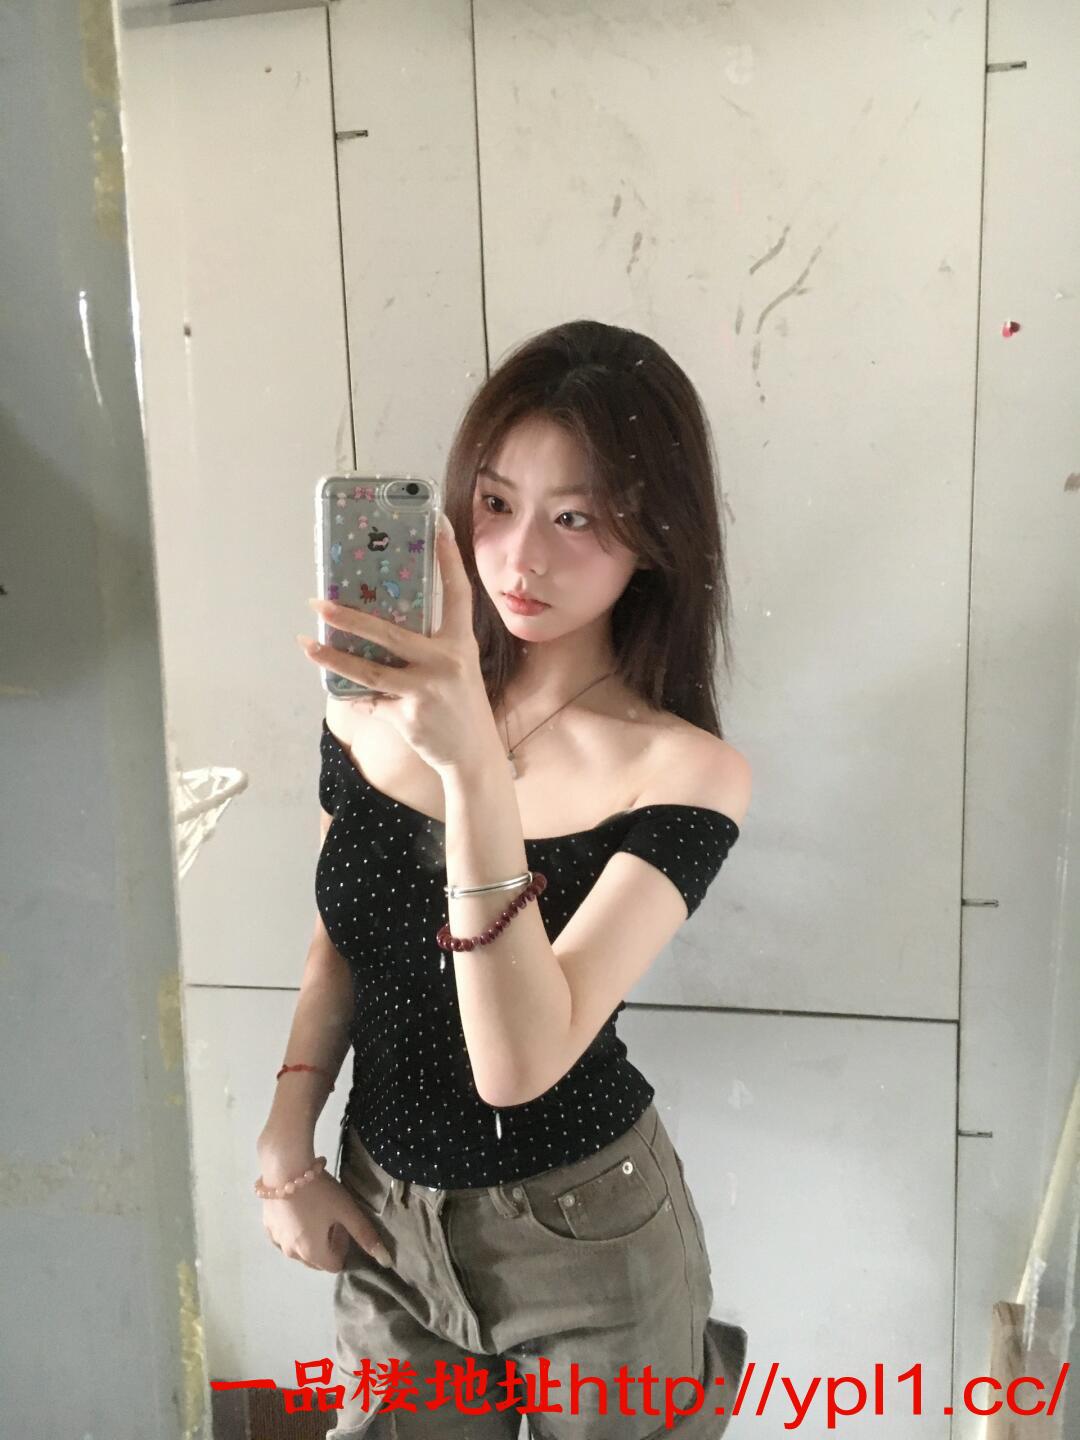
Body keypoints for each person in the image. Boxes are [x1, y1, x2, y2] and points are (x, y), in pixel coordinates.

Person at [257, 320, 752, 1437]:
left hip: (585, 1239)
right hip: (384, 1216)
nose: (521, 557)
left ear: (654, 536)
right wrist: (287, 1141)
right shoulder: (372, 707)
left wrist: (475, 771)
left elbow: (517, 1067)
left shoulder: (685, 772)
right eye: (494, 502)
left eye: (576, 517)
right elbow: (344, 933)